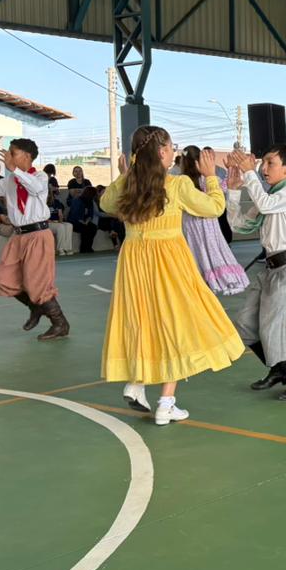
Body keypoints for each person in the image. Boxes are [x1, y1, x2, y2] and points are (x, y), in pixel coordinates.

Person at [100, 127, 244, 424]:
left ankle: (137, 383)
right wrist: (211, 177)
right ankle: (165, 403)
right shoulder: (177, 185)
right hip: (168, 260)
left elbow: (105, 204)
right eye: (171, 147)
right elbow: (214, 207)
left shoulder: (128, 185)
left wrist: (124, 175)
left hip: (134, 260)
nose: (173, 152)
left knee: (142, 319)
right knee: (177, 322)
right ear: (163, 152)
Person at [225, 144, 286, 399]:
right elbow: (240, 225)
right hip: (271, 270)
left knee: (277, 329)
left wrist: (248, 173)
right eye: (262, 163)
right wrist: (233, 191)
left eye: (270, 163)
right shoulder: (271, 195)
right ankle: (279, 369)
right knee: (246, 324)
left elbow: (265, 205)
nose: (263, 168)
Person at [0, 139, 69, 341]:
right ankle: (35, 307)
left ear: (27, 156)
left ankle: (60, 323)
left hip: (38, 234)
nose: (8, 157)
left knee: (37, 284)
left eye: (13, 153)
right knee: (4, 279)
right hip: (18, 236)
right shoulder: (9, 181)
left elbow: (34, 189)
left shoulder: (40, 176)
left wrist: (14, 170)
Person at [179, 145, 249, 296]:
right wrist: (230, 169)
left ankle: (198, 283)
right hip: (209, 223)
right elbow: (225, 187)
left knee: (195, 252)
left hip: (190, 225)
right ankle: (218, 281)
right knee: (212, 249)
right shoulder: (208, 179)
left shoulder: (181, 183)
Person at [47, 187, 75, 255]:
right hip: (47, 223)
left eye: (50, 194)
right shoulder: (41, 203)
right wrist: (52, 222)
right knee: (60, 226)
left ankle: (68, 248)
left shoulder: (56, 202)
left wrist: (60, 221)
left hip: (56, 222)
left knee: (69, 225)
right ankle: (60, 249)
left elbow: (60, 214)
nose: (49, 195)